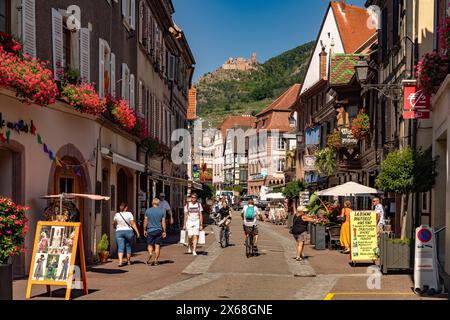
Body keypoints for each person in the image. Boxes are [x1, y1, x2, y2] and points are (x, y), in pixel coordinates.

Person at [113, 203, 141, 267]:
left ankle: (120, 262)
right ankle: (128, 261)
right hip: (128, 231)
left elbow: (114, 223)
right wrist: (137, 232)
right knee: (128, 246)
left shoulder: (117, 214)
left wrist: (114, 226)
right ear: (126, 208)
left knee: (120, 247)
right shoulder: (129, 214)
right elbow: (132, 223)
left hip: (119, 232)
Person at [144, 198, 167, 266]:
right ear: (158, 203)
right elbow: (163, 222)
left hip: (150, 230)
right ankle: (156, 260)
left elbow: (145, 221)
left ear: (152, 203)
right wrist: (164, 231)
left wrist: (144, 229)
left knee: (150, 244)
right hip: (158, 230)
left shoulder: (148, 211)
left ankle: (151, 254)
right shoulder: (162, 211)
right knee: (157, 245)